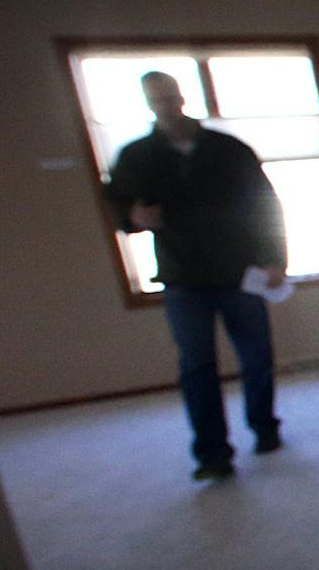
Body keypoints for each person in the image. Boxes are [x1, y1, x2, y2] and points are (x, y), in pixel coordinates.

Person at [103, 70, 289, 482]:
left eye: (169, 96)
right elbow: (116, 203)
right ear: (148, 104)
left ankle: (265, 428)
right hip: (182, 276)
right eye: (156, 99)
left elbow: (266, 204)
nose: (165, 104)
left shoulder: (228, 150)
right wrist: (132, 217)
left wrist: (276, 258)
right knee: (196, 366)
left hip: (241, 271)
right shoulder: (137, 157)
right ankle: (212, 454)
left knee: (257, 356)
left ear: (182, 96)